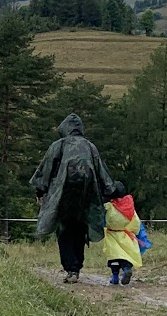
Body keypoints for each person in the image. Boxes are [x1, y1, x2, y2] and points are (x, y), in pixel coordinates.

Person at [30, 113, 118, 285]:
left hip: (62, 196)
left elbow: (46, 168)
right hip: (86, 197)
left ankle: (70, 268)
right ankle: (76, 267)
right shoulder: (90, 147)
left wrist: (40, 191)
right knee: (79, 229)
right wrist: (112, 193)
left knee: (64, 230)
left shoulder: (59, 145)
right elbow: (102, 171)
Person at [102, 185, 145, 286]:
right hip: (126, 236)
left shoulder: (109, 206)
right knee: (126, 257)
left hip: (112, 235)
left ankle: (115, 277)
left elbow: (102, 219)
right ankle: (126, 269)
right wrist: (134, 232)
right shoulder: (129, 207)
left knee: (114, 257)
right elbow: (136, 222)